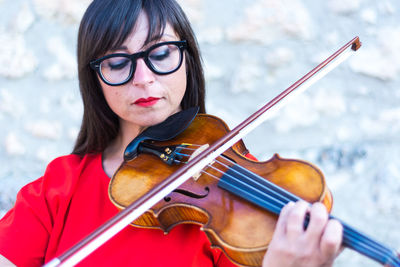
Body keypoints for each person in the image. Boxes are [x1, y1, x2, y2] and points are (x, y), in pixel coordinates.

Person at [0, 0, 343, 266]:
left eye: (161, 53)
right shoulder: (59, 188)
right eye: (119, 63)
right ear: (96, 79)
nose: (144, 77)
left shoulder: (233, 192)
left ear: (187, 58)